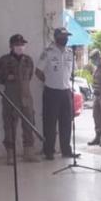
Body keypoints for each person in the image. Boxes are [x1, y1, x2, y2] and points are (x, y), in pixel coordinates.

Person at [0, 34, 38, 164]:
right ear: (11, 46)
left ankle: (29, 153)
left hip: (26, 97)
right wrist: (9, 79)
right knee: (10, 126)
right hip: (11, 97)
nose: (20, 47)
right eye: (17, 45)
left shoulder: (28, 60)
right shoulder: (3, 60)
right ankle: (10, 154)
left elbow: (29, 77)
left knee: (29, 124)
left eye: (22, 45)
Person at [36, 27, 74, 159]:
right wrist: (48, 81)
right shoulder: (48, 52)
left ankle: (66, 150)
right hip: (51, 91)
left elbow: (69, 72)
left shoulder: (70, 52)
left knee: (66, 122)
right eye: (63, 37)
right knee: (50, 123)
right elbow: (38, 72)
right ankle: (49, 151)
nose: (66, 39)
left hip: (66, 92)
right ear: (56, 37)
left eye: (67, 37)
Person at [87, 49, 101, 147]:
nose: (93, 61)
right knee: (96, 115)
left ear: (99, 57)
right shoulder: (97, 68)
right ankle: (98, 136)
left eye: (94, 59)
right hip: (97, 95)